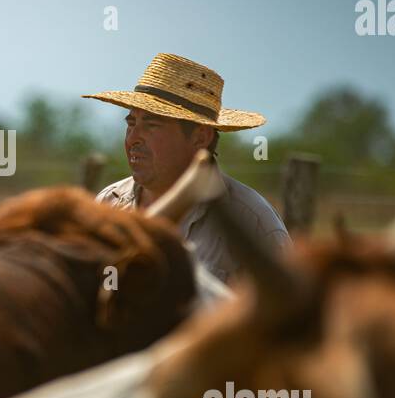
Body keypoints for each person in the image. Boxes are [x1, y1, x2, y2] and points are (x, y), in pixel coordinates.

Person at [83, 52, 290, 284]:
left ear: (200, 137)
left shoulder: (252, 222)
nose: (133, 138)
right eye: (131, 124)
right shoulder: (108, 204)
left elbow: (290, 312)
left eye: (151, 125)